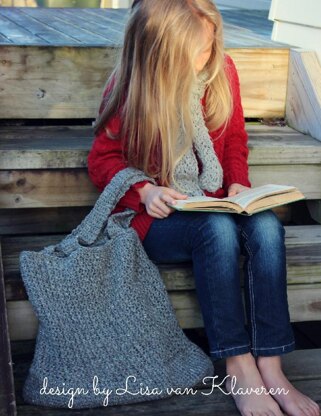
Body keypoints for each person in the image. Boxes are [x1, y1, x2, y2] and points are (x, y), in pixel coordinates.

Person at [87, 1, 320, 415]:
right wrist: (144, 192)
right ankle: (238, 365)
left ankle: (271, 362)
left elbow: (233, 140)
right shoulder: (131, 88)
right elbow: (102, 160)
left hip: (216, 203)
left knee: (267, 227)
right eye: (199, 53)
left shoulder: (220, 71)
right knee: (216, 231)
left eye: (211, 46)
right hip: (160, 217)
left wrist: (238, 185)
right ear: (162, 55)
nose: (208, 58)